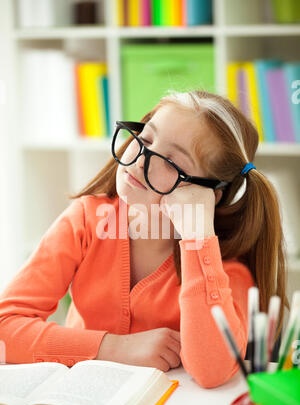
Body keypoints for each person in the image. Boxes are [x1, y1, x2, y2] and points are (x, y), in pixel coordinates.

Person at [0, 90, 289, 388]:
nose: (140, 161)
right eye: (146, 140)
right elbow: (5, 328)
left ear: (207, 193)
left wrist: (197, 237)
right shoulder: (86, 220)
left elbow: (213, 371)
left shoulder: (220, 263)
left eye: (170, 161)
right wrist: (113, 348)